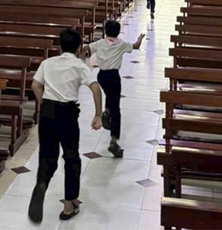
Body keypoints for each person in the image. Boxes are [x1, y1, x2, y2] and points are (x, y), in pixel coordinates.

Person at [28, 28, 103, 223]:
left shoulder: (47, 63)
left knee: (47, 156)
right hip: (67, 114)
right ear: (79, 47)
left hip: (47, 113)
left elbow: (35, 85)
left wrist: (44, 104)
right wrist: (97, 115)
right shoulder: (79, 66)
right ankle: (69, 204)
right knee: (71, 158)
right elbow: (95, 88)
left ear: (60, 46)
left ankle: (42, 183)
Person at [86, 20, 144, 158]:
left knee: (110, 96)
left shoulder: (100, 43)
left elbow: (87, 48)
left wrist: (83, 56)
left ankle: (107, 111)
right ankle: (114, 140)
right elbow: (135, 46)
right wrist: (140, 38)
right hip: (113, 76)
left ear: (105, 31)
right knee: (116, 108)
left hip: (101, 76)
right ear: (118, 32)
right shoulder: (121, 44)